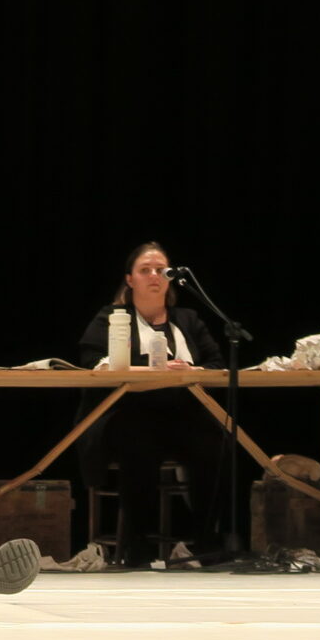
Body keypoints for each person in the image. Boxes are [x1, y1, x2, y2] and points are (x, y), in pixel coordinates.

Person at [73, 241, 230, 565]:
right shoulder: (111, 319)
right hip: (127, 413)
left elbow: (217, 364)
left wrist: (192, 370)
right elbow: (91, 361)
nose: (155, 275)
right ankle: (137, 542)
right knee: (139, 437)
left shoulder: (188, 319)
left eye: (161, 270)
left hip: (180, 414)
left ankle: (205, 538)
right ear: (130, 279)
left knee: (214, 436)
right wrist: (145, 370)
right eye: (145, 270)